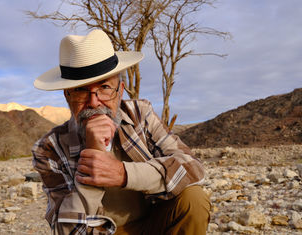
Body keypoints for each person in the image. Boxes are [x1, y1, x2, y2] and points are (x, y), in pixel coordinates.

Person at [32, 29, 210, 235]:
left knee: (193, 199)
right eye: (81, 90)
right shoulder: (49, 148)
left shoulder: (139, 115)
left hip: (154, 221)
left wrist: (123, 174)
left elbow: (193, 168)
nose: (94, 102)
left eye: (105, 87)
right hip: (103, 231)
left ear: (120, 90)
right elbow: (66, 230)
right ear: (67, 95)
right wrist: (94, 157)